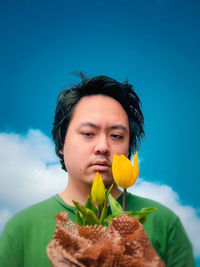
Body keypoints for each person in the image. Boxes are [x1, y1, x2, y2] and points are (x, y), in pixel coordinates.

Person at [0, 74, 195, 266]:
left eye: (116, 136)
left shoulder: (164, 224)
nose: (102, 146)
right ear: (61, 142)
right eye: (88, 133)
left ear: (129, 149)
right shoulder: (22, 229)